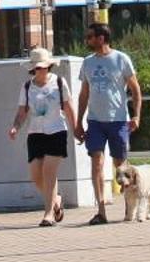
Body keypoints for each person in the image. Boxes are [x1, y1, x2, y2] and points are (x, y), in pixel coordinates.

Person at [73, 22, 141, 225]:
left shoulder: (121, 59)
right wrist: (79, 123)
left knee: (120, 165)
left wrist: (136, 116)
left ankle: (129, 207)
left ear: (101, 38)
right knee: (97, 163)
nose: (87, 41)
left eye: (90, 37)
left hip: (118, 120)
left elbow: (135, 89)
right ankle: (101, 210)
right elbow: (84, 94)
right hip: (95, 121)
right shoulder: (88, 62)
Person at [7, 46, 77, 226]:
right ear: (32, 68)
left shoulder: (59, 83)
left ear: (49, 66)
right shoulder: (27, 86)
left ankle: (48, 214)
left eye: (44, 66)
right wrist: (15, 127)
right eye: (37, 67)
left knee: (48, 171)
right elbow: (22, 111)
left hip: (57, 131)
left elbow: (68, 108)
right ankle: (56, 200)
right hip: (35, 134)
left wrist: (77, 128)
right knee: (36, 175)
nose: (41, 70)